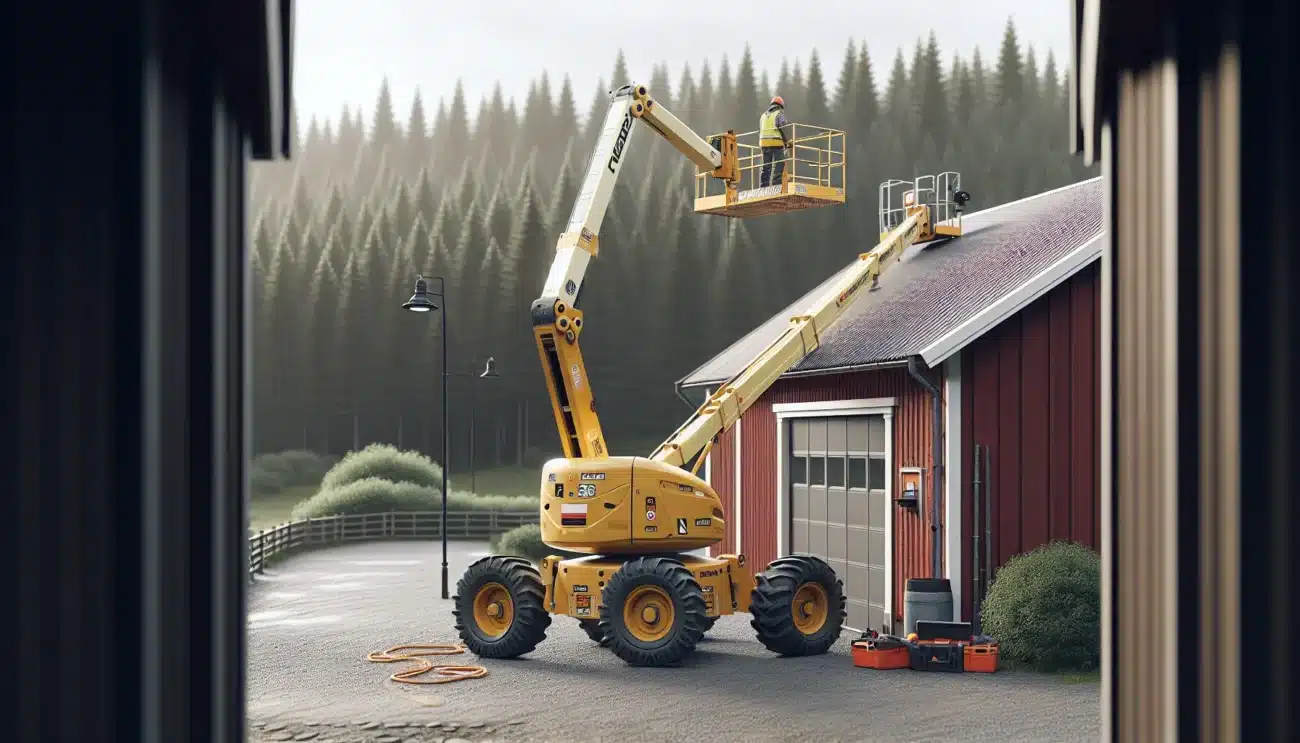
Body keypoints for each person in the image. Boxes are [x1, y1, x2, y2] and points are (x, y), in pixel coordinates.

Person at [758, 95, 792, 187]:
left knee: (766, 167)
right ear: (780, 106)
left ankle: (763, 186)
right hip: (775, 144)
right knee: (780, 164)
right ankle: (776, 185)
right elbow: (784, 129)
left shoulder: (763, 116)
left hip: (764, 144)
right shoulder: (779, 115)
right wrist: (788, 142)